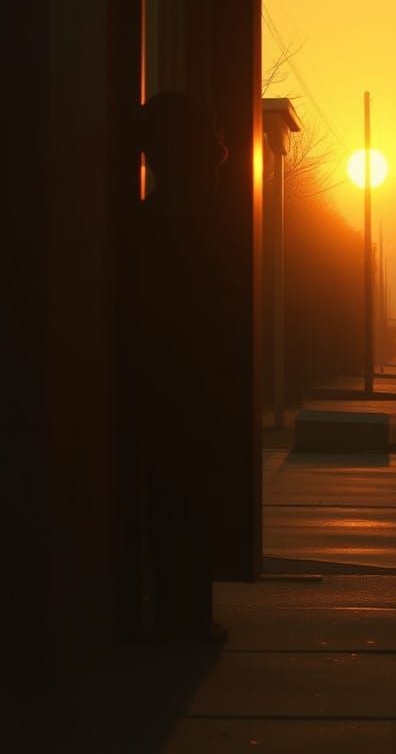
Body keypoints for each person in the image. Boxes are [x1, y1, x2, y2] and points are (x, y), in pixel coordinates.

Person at [138, 90, 228, 643]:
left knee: (172, 496)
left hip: (166, 379)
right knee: (189, 496)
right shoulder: (206, 225)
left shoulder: (149, 222)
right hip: (190, 382)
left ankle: (180, 611)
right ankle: (186, 614)